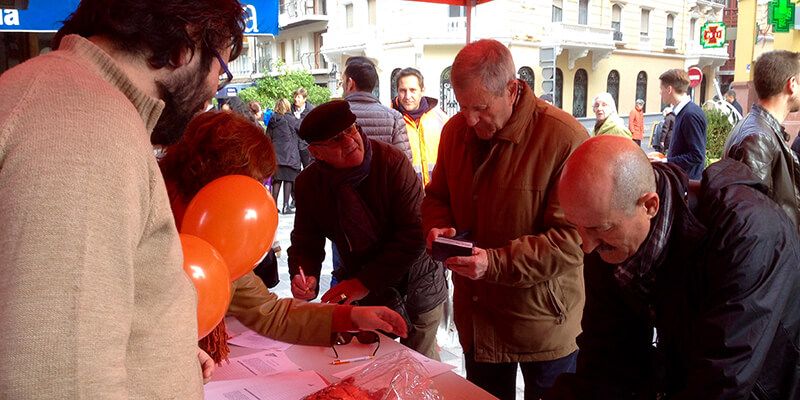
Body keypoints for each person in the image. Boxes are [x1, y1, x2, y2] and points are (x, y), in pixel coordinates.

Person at [0, 0, 245, 397]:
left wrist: (164, 354)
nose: (216, 87)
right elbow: (60, 377)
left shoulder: (69, 98)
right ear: (187, 44)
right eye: (221, 64)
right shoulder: (85, 122)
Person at [548, 136, 800, 399]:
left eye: (599, 229)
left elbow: (721, 382)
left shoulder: (747, 234)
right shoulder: (608, 231)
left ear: (649, 205)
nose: (586, 246)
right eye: (576, 225)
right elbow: (607, 357)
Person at [159, 110, 408, 363]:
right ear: (217, 181)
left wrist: (352, 317)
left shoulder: (222, 238)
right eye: (251, 183)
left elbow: (270, 312)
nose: (254, 197)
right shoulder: (150, 224)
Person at [421, 39, 587, 400]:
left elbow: (574, 238)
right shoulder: (454, 133)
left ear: (512, 90)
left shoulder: (563, 137)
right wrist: (438, 225)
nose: (469, 119)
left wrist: (494, 263)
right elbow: (436, 197)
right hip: (479, 318)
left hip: (544, 321)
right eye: (462, 106)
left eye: (480, 107)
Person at [288, 101, 447, 361]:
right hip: (368, 289)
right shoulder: (309, 184)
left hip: (417, 282)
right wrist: (304, 274)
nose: (350, 140)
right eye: (337, 139)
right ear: (316, 152)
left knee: (420, 365)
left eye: (352, 129)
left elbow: (414, 234)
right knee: (370, 363)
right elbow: (306, 240)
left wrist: (362, 283)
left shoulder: (391, 162)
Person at [724, 50, 800, 229]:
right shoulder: (758, 138)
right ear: (792, 84)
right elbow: (752, 226)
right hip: (774, 252)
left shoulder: (758, 129)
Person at [343, 56, 412, 161]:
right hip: (384, 178)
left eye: (342, 80)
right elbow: (404, 164)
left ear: (350, 83)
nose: (341, 85)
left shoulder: (331, 117)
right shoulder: (394, 118)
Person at [391, 67, 450, 185]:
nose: (407, 96)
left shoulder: (440, 118)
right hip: (406, 195)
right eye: (403, 90)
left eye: (413, 90)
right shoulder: (389, 119)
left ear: (422, 90)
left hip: (436, 193)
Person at [653, 68, 707, 179]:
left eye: (661, 89)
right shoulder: (684, 112)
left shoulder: (689, 115)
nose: (659, 93)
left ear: (669, 89)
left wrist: (666, 161)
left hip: (687, 184)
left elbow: (697, 156)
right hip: (682, 181)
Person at [268, 98, 302, 215]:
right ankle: (286, 206)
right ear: (287, 107)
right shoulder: (291, 119)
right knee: (288, 180)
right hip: (290, 154)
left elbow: (268, 137)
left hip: (276, 155)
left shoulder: (273, 120)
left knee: (276, 180)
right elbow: (301, 130)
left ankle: (273, 205)